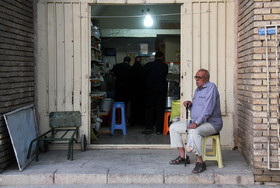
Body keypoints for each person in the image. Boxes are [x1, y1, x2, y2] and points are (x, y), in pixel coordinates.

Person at [169, 68, 223, 174]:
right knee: (174, 127)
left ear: (206, 79)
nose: (197, 80)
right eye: (196, 77)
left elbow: (208, 109)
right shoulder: (197, 90)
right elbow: (198, 109)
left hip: (211, 124)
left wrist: (197, 123)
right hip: (196, 122)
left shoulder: (211, 87)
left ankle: (200, 161)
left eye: (199, 78)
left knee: (195, 131)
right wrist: (190, 105)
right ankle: (183, 156)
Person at [142, 51, 168, 134]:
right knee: (160, 109)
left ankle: (149, 128)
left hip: (149, 90)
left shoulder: (148, 65)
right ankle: (159, 129)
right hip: (161, 90)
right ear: (162, 57)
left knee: (149, 109)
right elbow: (164, 75)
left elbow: (144, 76)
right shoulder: (165, 66)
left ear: (155, 57)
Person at [130, 56, 145, 126]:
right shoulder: (141, 68)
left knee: (133, 107)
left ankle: (133, 121)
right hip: (141, 91)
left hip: (133, 90)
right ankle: (141, 121)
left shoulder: (132, 69)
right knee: (141, 106)